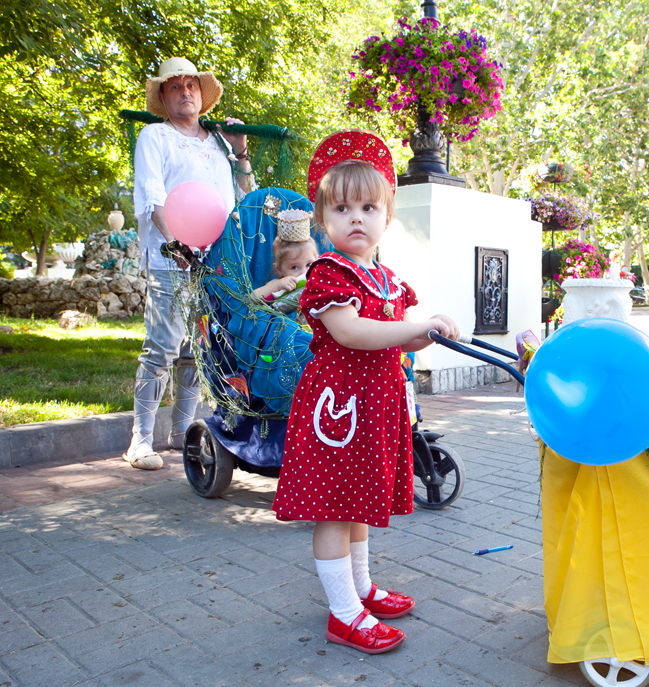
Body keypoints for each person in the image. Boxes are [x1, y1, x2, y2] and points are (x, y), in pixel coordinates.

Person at [271, 131, 460, 654]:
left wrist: (430, 330)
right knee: (335, 506)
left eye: (368, 206)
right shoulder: (328, 273)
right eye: (342, 207)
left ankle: (360, 588)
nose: (356, 217)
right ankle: (343, 612)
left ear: (387, 214)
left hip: (372, 406)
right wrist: (412, 327)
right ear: (322, 218)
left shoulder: (385, 278)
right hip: (338, 412)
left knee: (357, 503)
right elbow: (352, 333)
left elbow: (397, 334)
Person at [126, 57, 254, 470]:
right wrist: (177, 244)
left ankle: (182, 432)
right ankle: (140, 441)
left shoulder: (218, 143)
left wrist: (242, 152)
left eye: (191, 85)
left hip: (214, 263)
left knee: (197, 350)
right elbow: (152, 197)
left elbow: (243, 197)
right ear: (163, 96)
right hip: (172, 260)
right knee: (161, 348)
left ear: (202, 95)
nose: (185, 92)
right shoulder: (155, 136)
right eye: (175, 86)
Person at [251, 209, 318, 313]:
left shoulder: (319, 280)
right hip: (286, 326)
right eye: (294, 267)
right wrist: (277, 285)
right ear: (279, 269)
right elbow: (251, 299)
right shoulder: (280, 285)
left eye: (309, 264)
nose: (304, 272)